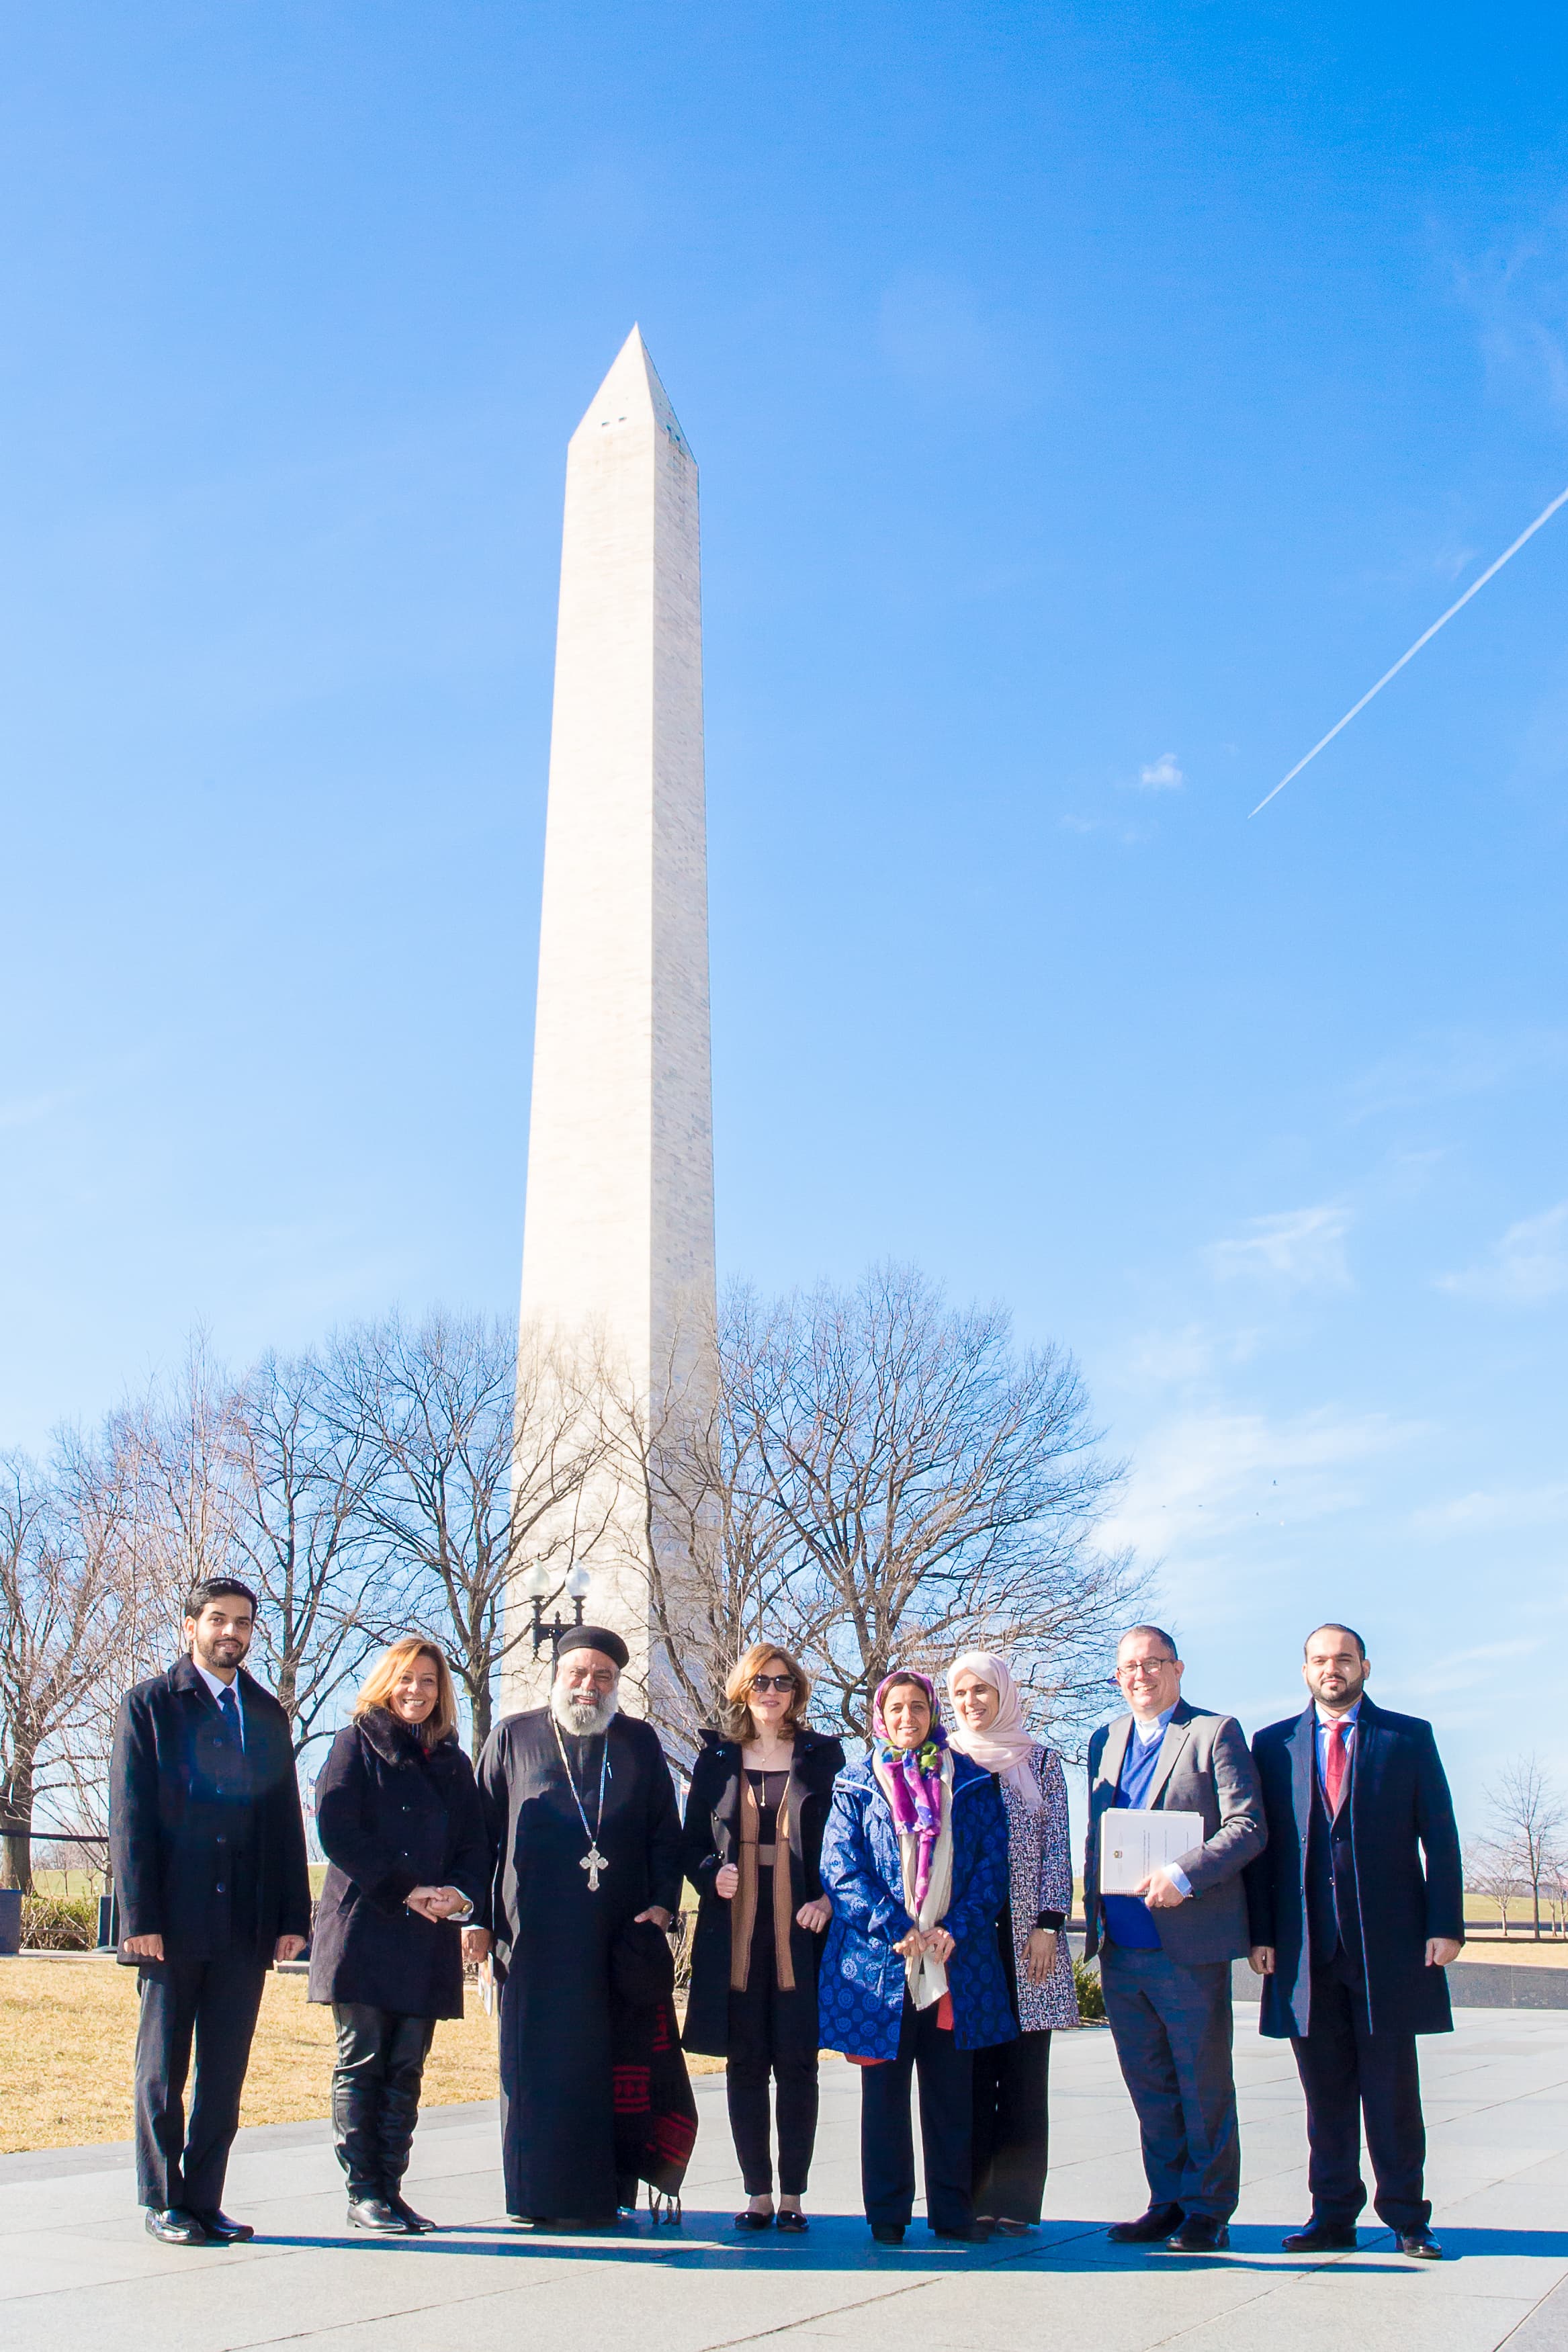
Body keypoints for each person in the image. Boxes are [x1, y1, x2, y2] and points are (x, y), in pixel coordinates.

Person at [1246, 1623, 1463, 2261]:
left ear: (1365, 1665)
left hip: (1390, 1947)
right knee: (1326, 2094)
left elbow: (1441, 1835)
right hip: (1305, 1951)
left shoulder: (1408, 1737)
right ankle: (1332, 2215)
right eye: (1320, 1659)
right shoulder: (1273, 1745)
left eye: (1343, 1658)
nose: (1331, 1668)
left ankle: (1407, 2217)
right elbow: (1263, 1853)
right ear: (1305, 1669)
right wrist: (1261, 1935)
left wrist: (1445, 1924)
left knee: (1393, 2090)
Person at [110, 1576, 311, 2247]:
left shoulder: (266, 1713)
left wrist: (293, 1916)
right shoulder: (149, 1706)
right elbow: (130, 1820)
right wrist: (140, 1917)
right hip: (172, 1921)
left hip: (246, 1924)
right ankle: (164, 2199)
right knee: (164, 2067)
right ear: (190, 1626)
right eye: (219, 1620)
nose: (232, 1633)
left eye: (244, 1623)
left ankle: (206, 2200)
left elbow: (286, 1822)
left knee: (225, 2071)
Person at [474, 1625, 694, 2229]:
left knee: (613, 2064)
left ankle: (611, 2190)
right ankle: (536, 2196)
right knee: (537, 2067)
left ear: (616, 1684)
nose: (588, 1685)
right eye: (578, 1672)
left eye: (602, 1676)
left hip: (615, 1940)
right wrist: (476, 1920)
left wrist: (661, 1903)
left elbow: (662, 1831)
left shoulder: (638, 1741)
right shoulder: (513, 1736)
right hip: (534, 1941)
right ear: (557, 1675)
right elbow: (479, 1836)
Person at [1083, 1624, 1266, 2255]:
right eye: (1129, 1667)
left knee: (1203, 2081)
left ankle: (1209, 2209)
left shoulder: (1215, 1733)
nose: (1141, 1675)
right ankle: (1166, 2200)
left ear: (1178, 1668)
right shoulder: (1103, 1740)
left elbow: (1248, 1826)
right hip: (1121, 1945)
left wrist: (1185, 1874)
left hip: (1186, 1945)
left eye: (1153, 1663)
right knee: (1150, 2083)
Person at [818, 1667, 1014, 2245]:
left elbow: (991, 1867)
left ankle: (953, 2212)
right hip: (881, 1965)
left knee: (951, 2093)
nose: (908, 1718)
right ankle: (887, 2213)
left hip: (954, 1961)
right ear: (882, 1715)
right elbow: (839, 1866)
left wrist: (956, 1926)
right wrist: (892, 1925)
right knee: (883, 2096)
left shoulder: (973, 1781)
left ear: (934, 1714)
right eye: (897, 1708)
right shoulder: (855, 1785)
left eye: (918, 1708)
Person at [308, 1637, 489, 2234]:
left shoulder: (454, 1763)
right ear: (388, 1681)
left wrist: (458, 1893)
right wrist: (407, 1887)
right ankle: (363, 2191)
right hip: (366, 1925)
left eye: (430, 1681)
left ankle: (391, 2186)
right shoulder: (355, 1743)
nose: (417, 1690)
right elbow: (338, 1828)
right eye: (407, 1678)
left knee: (407, 2065)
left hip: (429, 1934)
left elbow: (473, 1842)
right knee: (363, 2061)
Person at [682, 1642, 845, 2232]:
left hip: (802, 1931)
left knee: (798, 2064)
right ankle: (756, 2193)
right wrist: (709, 1872)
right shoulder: (717, 1758)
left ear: (797, 1692)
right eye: (759, 1683)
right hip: (737, 1933)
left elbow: (845, 1841)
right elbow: (688, 1843)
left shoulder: (824, 1756)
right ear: (742, 1691)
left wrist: (830, 1897)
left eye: (782, 1682)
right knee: (745, 2062)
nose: (771, 1692)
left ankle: (795, 2194)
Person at [947, 1650, 1078, 2234]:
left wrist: (1050, 1922)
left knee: (1025, 2081)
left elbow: (1058, 1846)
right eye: (961, 1693)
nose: (972, 1702)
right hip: (967, 1944)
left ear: (1004, 1694)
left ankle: (1018, 2203)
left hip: (1029, 1941)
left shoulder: (1042, 1760)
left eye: (983, 1691)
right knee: (970, 2079)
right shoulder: (942, 1761)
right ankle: (971, 2199)